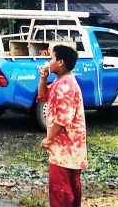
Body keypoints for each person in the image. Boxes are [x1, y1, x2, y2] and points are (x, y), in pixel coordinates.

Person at [37, 44, 87, 207]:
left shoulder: (65, 86)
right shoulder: (62, 81)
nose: (48, 62)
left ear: (60, 62)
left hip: (64, 152)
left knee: (61, 195)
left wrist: (48, 139)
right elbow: (43, 95)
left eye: (51, 58)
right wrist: (43, 77)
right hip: (69, 152)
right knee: (70, 193)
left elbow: (62, 119)